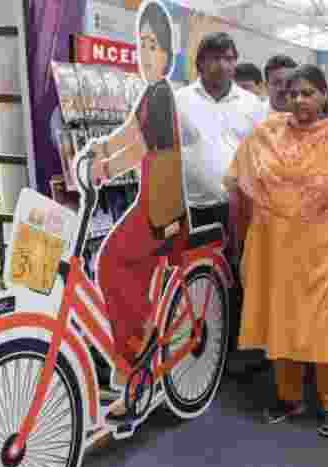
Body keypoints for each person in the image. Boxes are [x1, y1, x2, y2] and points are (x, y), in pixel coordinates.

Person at [225, 64, 328, 439]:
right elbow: (236, 179)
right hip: (276, 249)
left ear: (325, 95)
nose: (299, 100)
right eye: (293, 93)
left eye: (308, 92)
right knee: (283, 323)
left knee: (325, 329)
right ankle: (289, 398)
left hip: (325, 250)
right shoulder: (267, 134)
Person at [88, 1, 184, 420]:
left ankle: (139, 353)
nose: (145, 54)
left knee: (110, 262)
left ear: (167, 52)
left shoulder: (163, 94)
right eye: (140, 44)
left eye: (152, 45)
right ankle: (138, 355)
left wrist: (107, 166)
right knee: (122, 273)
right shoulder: (150, 93)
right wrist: (98, 149)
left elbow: (142, 147)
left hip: (160, 211)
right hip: (152, 204)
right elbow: (130, 131)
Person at [175, 32, 265, 244]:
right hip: (192, 209)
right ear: (200, 63)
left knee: (238, 271)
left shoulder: (252, 104)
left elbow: (261, 155)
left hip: (240, 209)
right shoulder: (179, 101)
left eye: (229, 58)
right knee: (198, 271)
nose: (223, 65)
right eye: (215, 58)